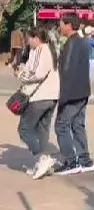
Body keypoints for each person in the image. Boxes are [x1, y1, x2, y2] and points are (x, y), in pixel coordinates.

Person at [16, 27, 60, 180]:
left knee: (24, 128)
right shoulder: (39, 50)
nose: (27, 41)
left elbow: (38, 73)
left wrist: (22, 76)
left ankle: (43, 158)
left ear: (36, 38)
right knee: (42, 129)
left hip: (41, 96)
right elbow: (30, 67)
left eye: (29, 38)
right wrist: (22, 70)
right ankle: (43, 163)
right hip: (50, 96)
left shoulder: (44, 51)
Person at [54, 15, 93, 175]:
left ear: (69, 25)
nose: (59, 28)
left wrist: (62, 96)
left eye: (61, 25)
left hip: (72, 93)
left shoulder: (71, 44)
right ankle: (85, 160)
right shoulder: (82, 42)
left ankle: (71, 161)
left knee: (61, 125)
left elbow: (67, 71)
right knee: (78, 125)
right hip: (83, 91)